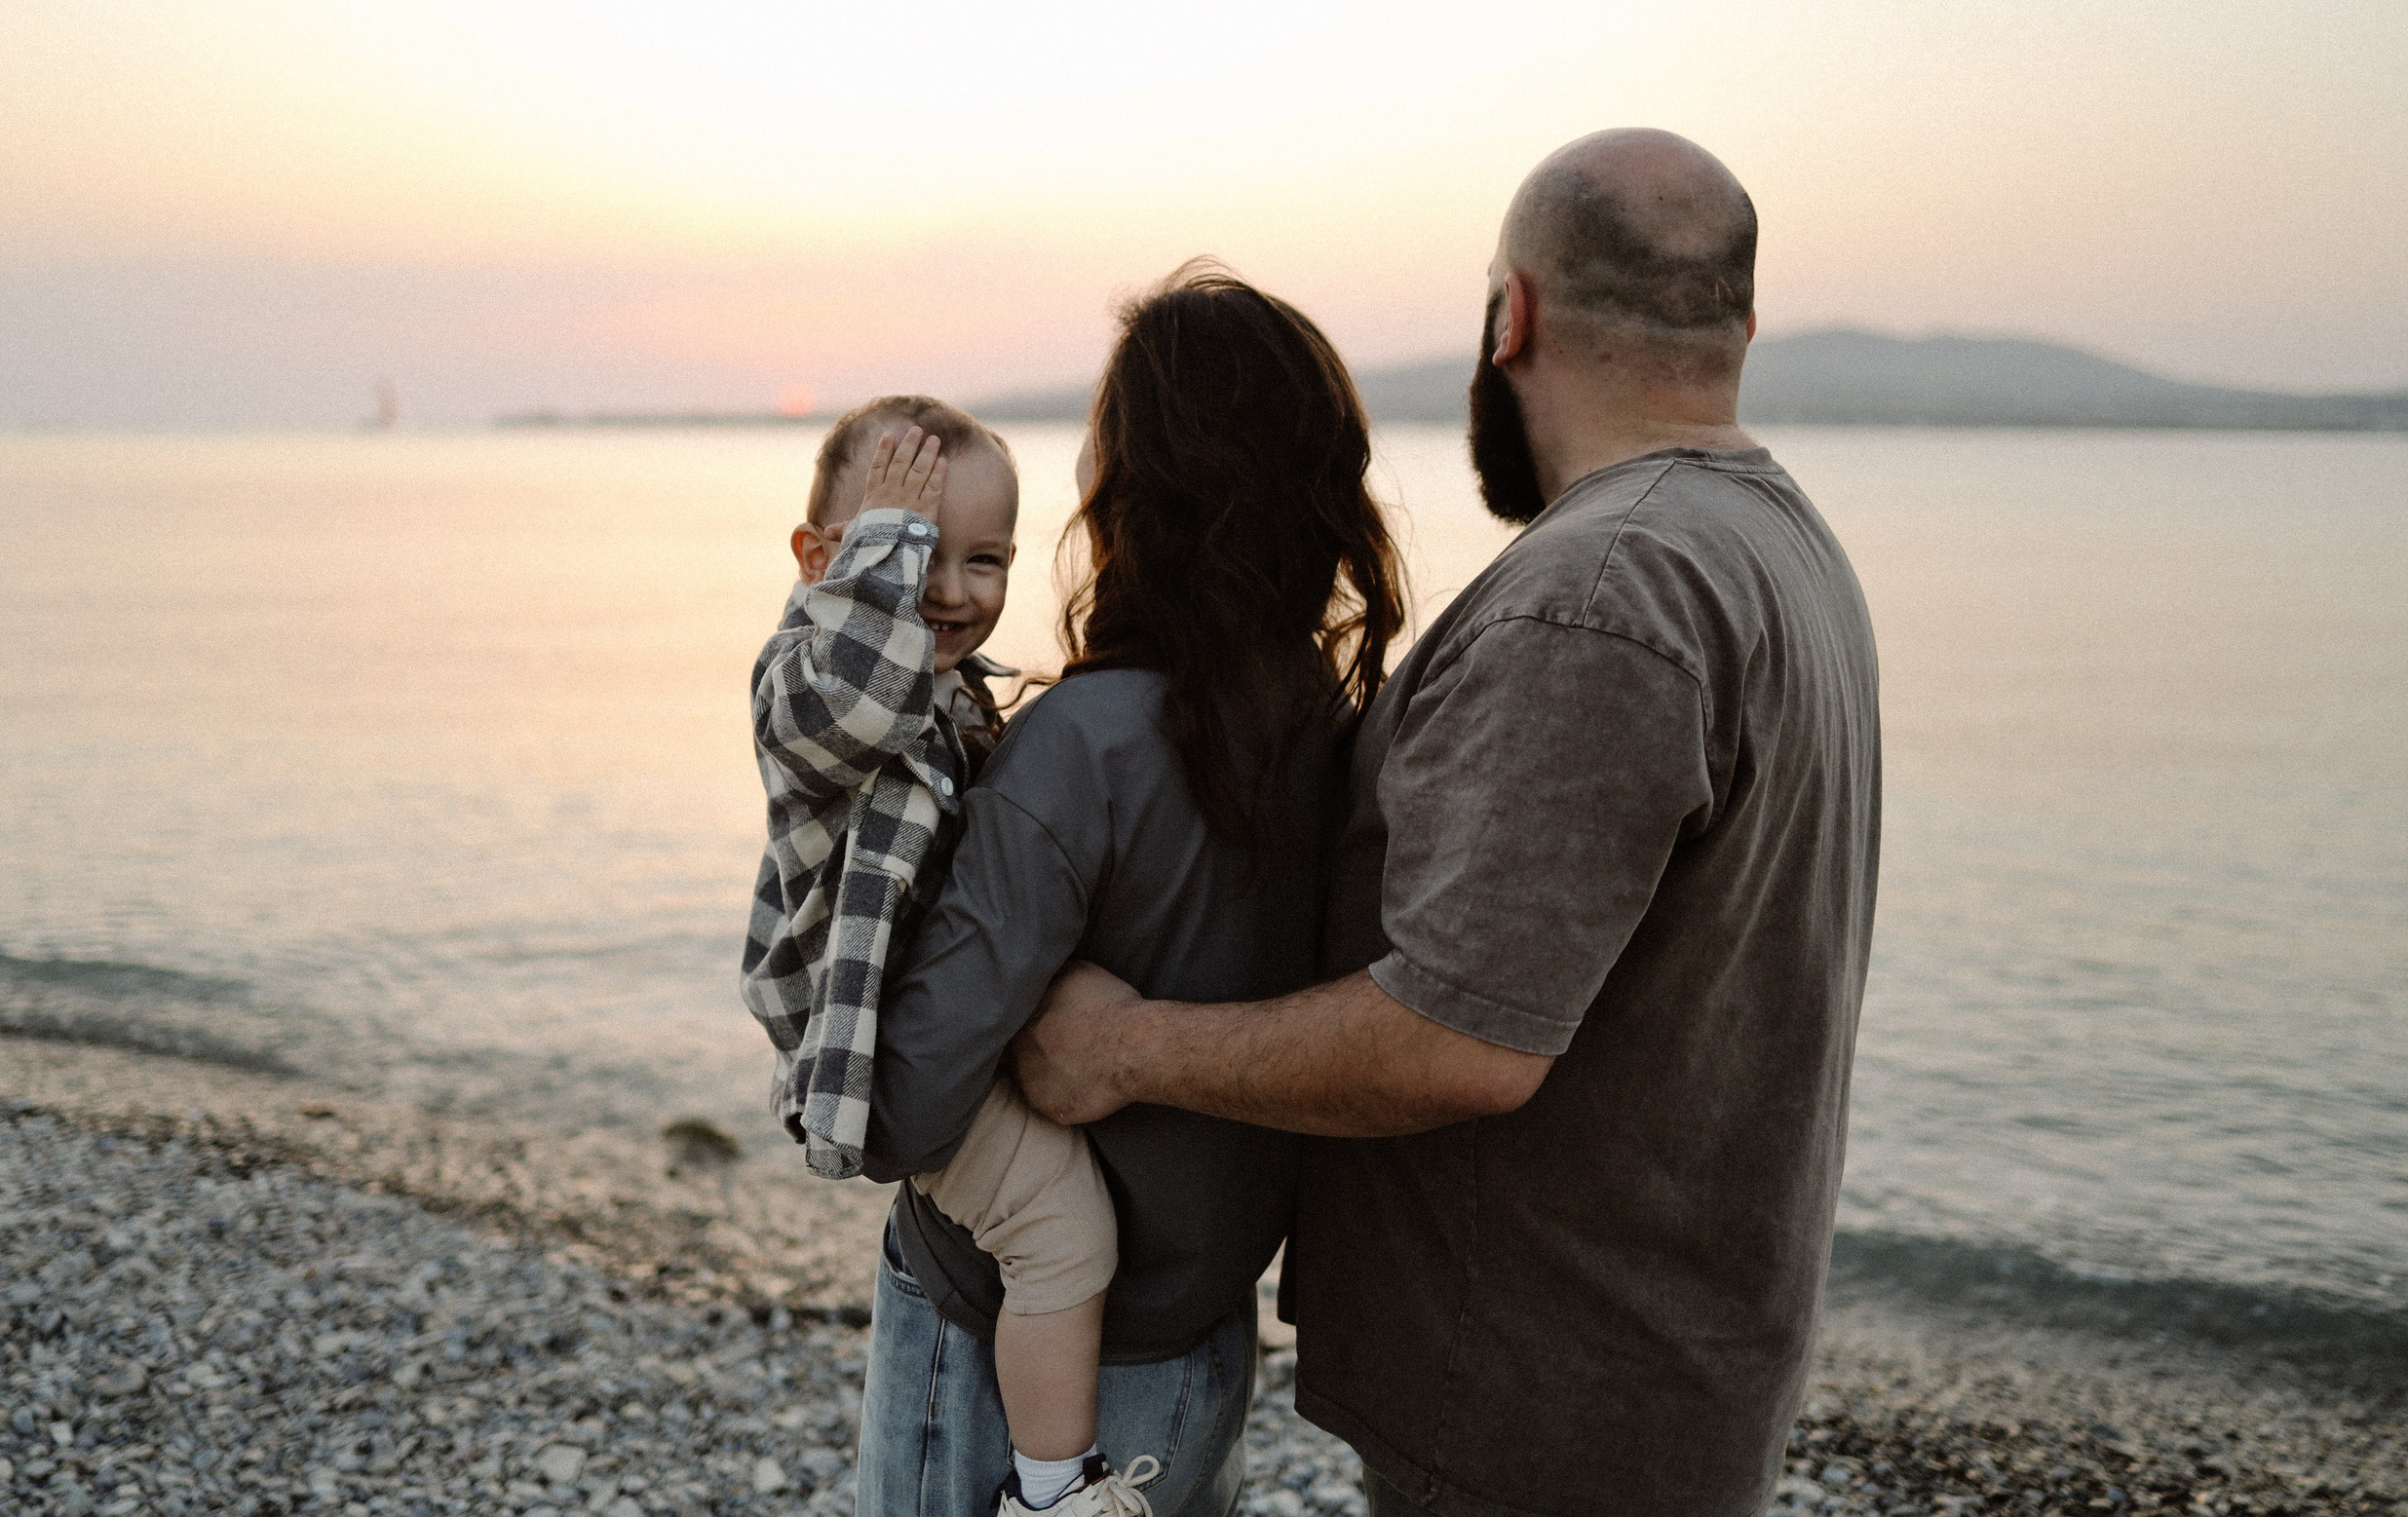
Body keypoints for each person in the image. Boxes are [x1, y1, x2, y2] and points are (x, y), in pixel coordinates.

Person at [1013, 131, 1884, 1517]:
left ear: (1511, 315)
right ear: (1741, 323)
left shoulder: (1602, 590)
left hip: (1547, 1414)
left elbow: (1460, 1041)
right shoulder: (1777, 542)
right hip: (1656, 1375)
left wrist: (1115, 1045)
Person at [853, 265, 1407, 1517]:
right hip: (1208, 1329)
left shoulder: (1082, 745)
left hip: (1006, 1348)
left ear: (1129, 494)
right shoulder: (1336, 728)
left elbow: (901, 1108)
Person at [743, 397, 1131, 1515]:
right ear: (822, 558)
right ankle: (1054, 1491)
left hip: (935, 1016)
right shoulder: (803, 683)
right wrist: (886, 560)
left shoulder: (947, 682)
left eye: (986, 557)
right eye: (911, 548)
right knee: (1064, 1232)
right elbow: (863, 703)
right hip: (867, 1050)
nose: (952, 588)